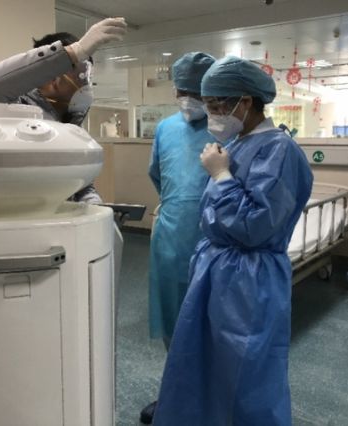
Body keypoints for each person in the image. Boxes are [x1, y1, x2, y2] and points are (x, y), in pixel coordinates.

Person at [152, 56, 314, 426]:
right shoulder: (239, 143)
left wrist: (222, 177)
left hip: (249, 280)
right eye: (208, 105)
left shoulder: (280, 149)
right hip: (218, 270)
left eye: (215, 105)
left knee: (245, 373)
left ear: (246, 101)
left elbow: (255, 226)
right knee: (204, 362)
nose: (211, 113)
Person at [141, 52, 216, 424]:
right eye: (181, 90)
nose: (186, 98)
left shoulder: (226, 129)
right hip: (171, 236)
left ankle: (208, 398)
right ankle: (175, 393)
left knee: (209, 323)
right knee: (173, 319)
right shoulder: (165, 128)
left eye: (194, 91)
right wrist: (178, 206)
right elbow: (158, 174)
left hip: (213, 238)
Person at [0, 18, 127, 203]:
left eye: (88, 76)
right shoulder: (13, 110)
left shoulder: (71, 123)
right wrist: (74, 52)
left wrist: (93, 203)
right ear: (52, 75)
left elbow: (82, 182)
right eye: (80, 74)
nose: (85, 83)